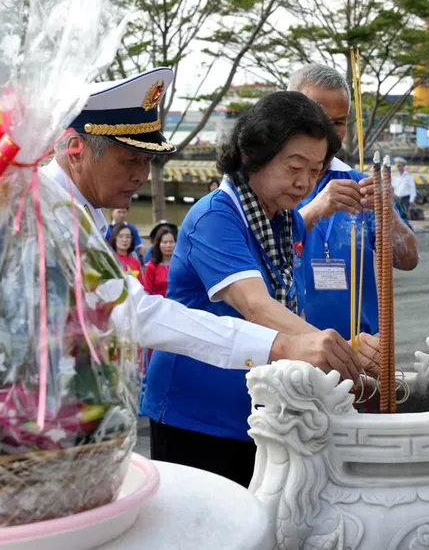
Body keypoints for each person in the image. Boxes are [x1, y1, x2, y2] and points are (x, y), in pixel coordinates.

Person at [39, 68, 363, 420]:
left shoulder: (283, 219)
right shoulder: (47, 212)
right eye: (130, 160)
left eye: (147, 161)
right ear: (76, 150)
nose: (141, 176)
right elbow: (135, 313)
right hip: (194, 412)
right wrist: (293, 346)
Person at [143, 90, 380, 486]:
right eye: (294, 166)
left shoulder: (278, 219)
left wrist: (322, 207)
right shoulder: (216, 217)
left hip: (257, 414)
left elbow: (290, 235)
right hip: (198, 415)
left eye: (316, 169)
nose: (305, 182)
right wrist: (341, 350)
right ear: (256, 153)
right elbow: (255, 304)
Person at [290, 64, 419, 341]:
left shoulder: (360, 183)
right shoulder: (271, 184)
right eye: (318, 118)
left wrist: (389, 215)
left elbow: (408, 260)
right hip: (291, 348)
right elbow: (261, 254)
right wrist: (313, 210)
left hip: (360, 349)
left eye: (338, 122)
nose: (329, 131)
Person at [142, 227, 175, 297]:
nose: (168, 245)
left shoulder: (181, 265)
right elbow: (147, 292)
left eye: (171, 242)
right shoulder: (152, 266)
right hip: (159, 305)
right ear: (158, 244)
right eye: (165, 242)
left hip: (179, 304)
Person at [390, 157, 416, 221]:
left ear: (403, 166)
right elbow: (393, 187)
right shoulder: (396, 177)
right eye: (397, 166)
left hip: (405, 198)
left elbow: (412, 189)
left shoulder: (409, 177)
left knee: (403, 216)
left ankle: (407, 229)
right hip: (397, 198)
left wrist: (411, 200)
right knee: (397, 215)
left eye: (399, 166)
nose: (398, 167)